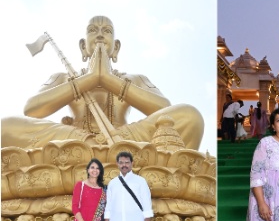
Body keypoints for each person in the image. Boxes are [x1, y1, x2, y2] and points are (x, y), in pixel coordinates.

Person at [2, 16, 204, 150]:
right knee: (6, 127)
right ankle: (90, 146)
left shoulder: (135, 79)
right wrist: (89, 79)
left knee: (189, 115)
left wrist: (109, 80)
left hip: (127, 140)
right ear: (83, 46)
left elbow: (165, 112)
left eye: (106, 31)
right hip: (73, 141)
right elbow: (31, 110)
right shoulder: (63, 77)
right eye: (93, 30)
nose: (99, 34)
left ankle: (102, 148)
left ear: (116, 47)